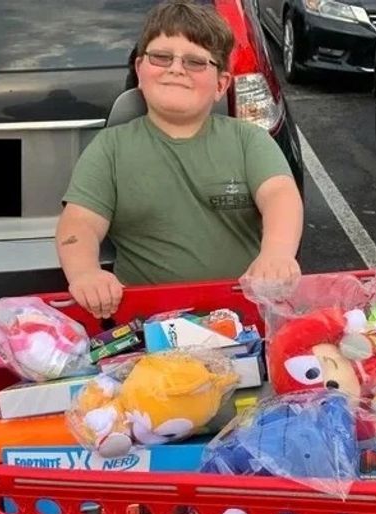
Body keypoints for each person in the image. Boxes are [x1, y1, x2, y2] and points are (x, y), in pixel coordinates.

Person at [56, 0, 304, 319]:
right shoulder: (110, 148)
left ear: (221, 84)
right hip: (149, 327)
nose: (176, 68)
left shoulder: (248, 140)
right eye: (161, 57)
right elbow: (80, 223)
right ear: (139, 70)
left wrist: (277, 254)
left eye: (195, 62)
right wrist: (86, 273)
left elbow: (280, 196)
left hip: (244, 318)